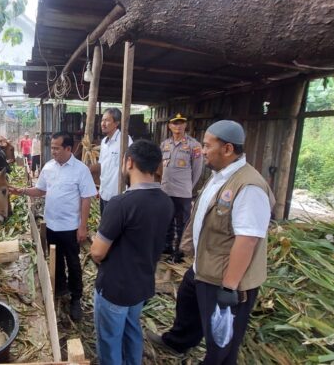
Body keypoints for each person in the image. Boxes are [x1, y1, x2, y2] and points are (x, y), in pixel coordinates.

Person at [146, 120, 275, 365]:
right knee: (187, 300)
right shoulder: (220, 176)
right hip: (205, 267)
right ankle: (179, 340)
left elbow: (247, 241)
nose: (202, 150)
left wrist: (229, 288)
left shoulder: (248, 187)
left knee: (222, 338)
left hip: (225, 278)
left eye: (207, 146)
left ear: (227, 149)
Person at [90, 140, 173, 365]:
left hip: (115, 288)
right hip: (142, 284)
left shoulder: (121, 204)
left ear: (129, 162)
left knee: (109, 341)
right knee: (132, 329)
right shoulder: (166, 202)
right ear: (157, 166)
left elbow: (97, 252)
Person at [10, 131, 97, 321]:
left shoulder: (81, 170)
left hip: (70, 227)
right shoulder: (48, 167)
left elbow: (86, 199)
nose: (53, 151)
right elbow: (40, 190)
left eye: (57, 148)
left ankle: (76, 299)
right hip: (51, 225)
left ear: (68, 148)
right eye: (52, 147)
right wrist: (21, 191)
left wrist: (83, 227)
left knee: (73, 263)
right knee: (56, 260)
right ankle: (60, 289)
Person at [160, 113, 204, 262]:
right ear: (170, 126)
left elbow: (197, 169)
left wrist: (188, 187)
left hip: (182, 192)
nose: (178, 126)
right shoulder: (165, 144)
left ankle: (179, 252)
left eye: (181, 123)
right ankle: (166, 246)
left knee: (182, 224)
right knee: (166, 220)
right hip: (166, 190)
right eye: (175, 123)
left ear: (185, 125)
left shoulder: (194, 145)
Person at [98, 108, 133, 214]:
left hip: (118, 195)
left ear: (116, 123)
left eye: (107, 120)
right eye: (102, 120)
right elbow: (102, 166)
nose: (103, 123)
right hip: (104, 192)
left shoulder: (125, 140)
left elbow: (131, 167)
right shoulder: (104, 142)